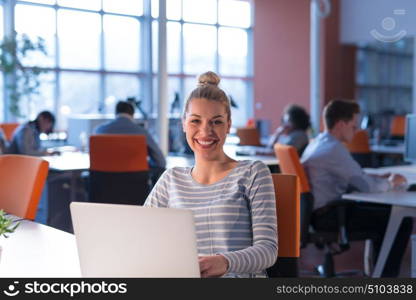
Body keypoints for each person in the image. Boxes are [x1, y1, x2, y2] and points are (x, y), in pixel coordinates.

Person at [144, 71, 277, 278]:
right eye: (195, 121)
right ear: (184, 124)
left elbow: (268, 250)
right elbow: (141, 236)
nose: (205, 132)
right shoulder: (171, 179)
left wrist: (225, 262)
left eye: (216, 122)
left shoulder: (253, 173)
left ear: (229, 125)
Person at [301, 99, 413, 277]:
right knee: (400, 220)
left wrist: (376, 176)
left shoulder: (318, 142)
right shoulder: (333, 149)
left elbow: (354, 174)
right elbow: (365, 186)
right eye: (353, 126)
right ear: (340, 124)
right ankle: (386, 279)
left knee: (384, 212)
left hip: (318, 213)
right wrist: (392, 181)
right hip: (331, 215)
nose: (357, 130)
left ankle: (377, 272)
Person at [94, 100, 166, 170]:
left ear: (116, 113)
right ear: (132, 114)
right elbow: (161, 162)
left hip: (104, 179)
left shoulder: (99, 131)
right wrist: (143, 165)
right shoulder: (142, 133)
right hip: (136, 179)